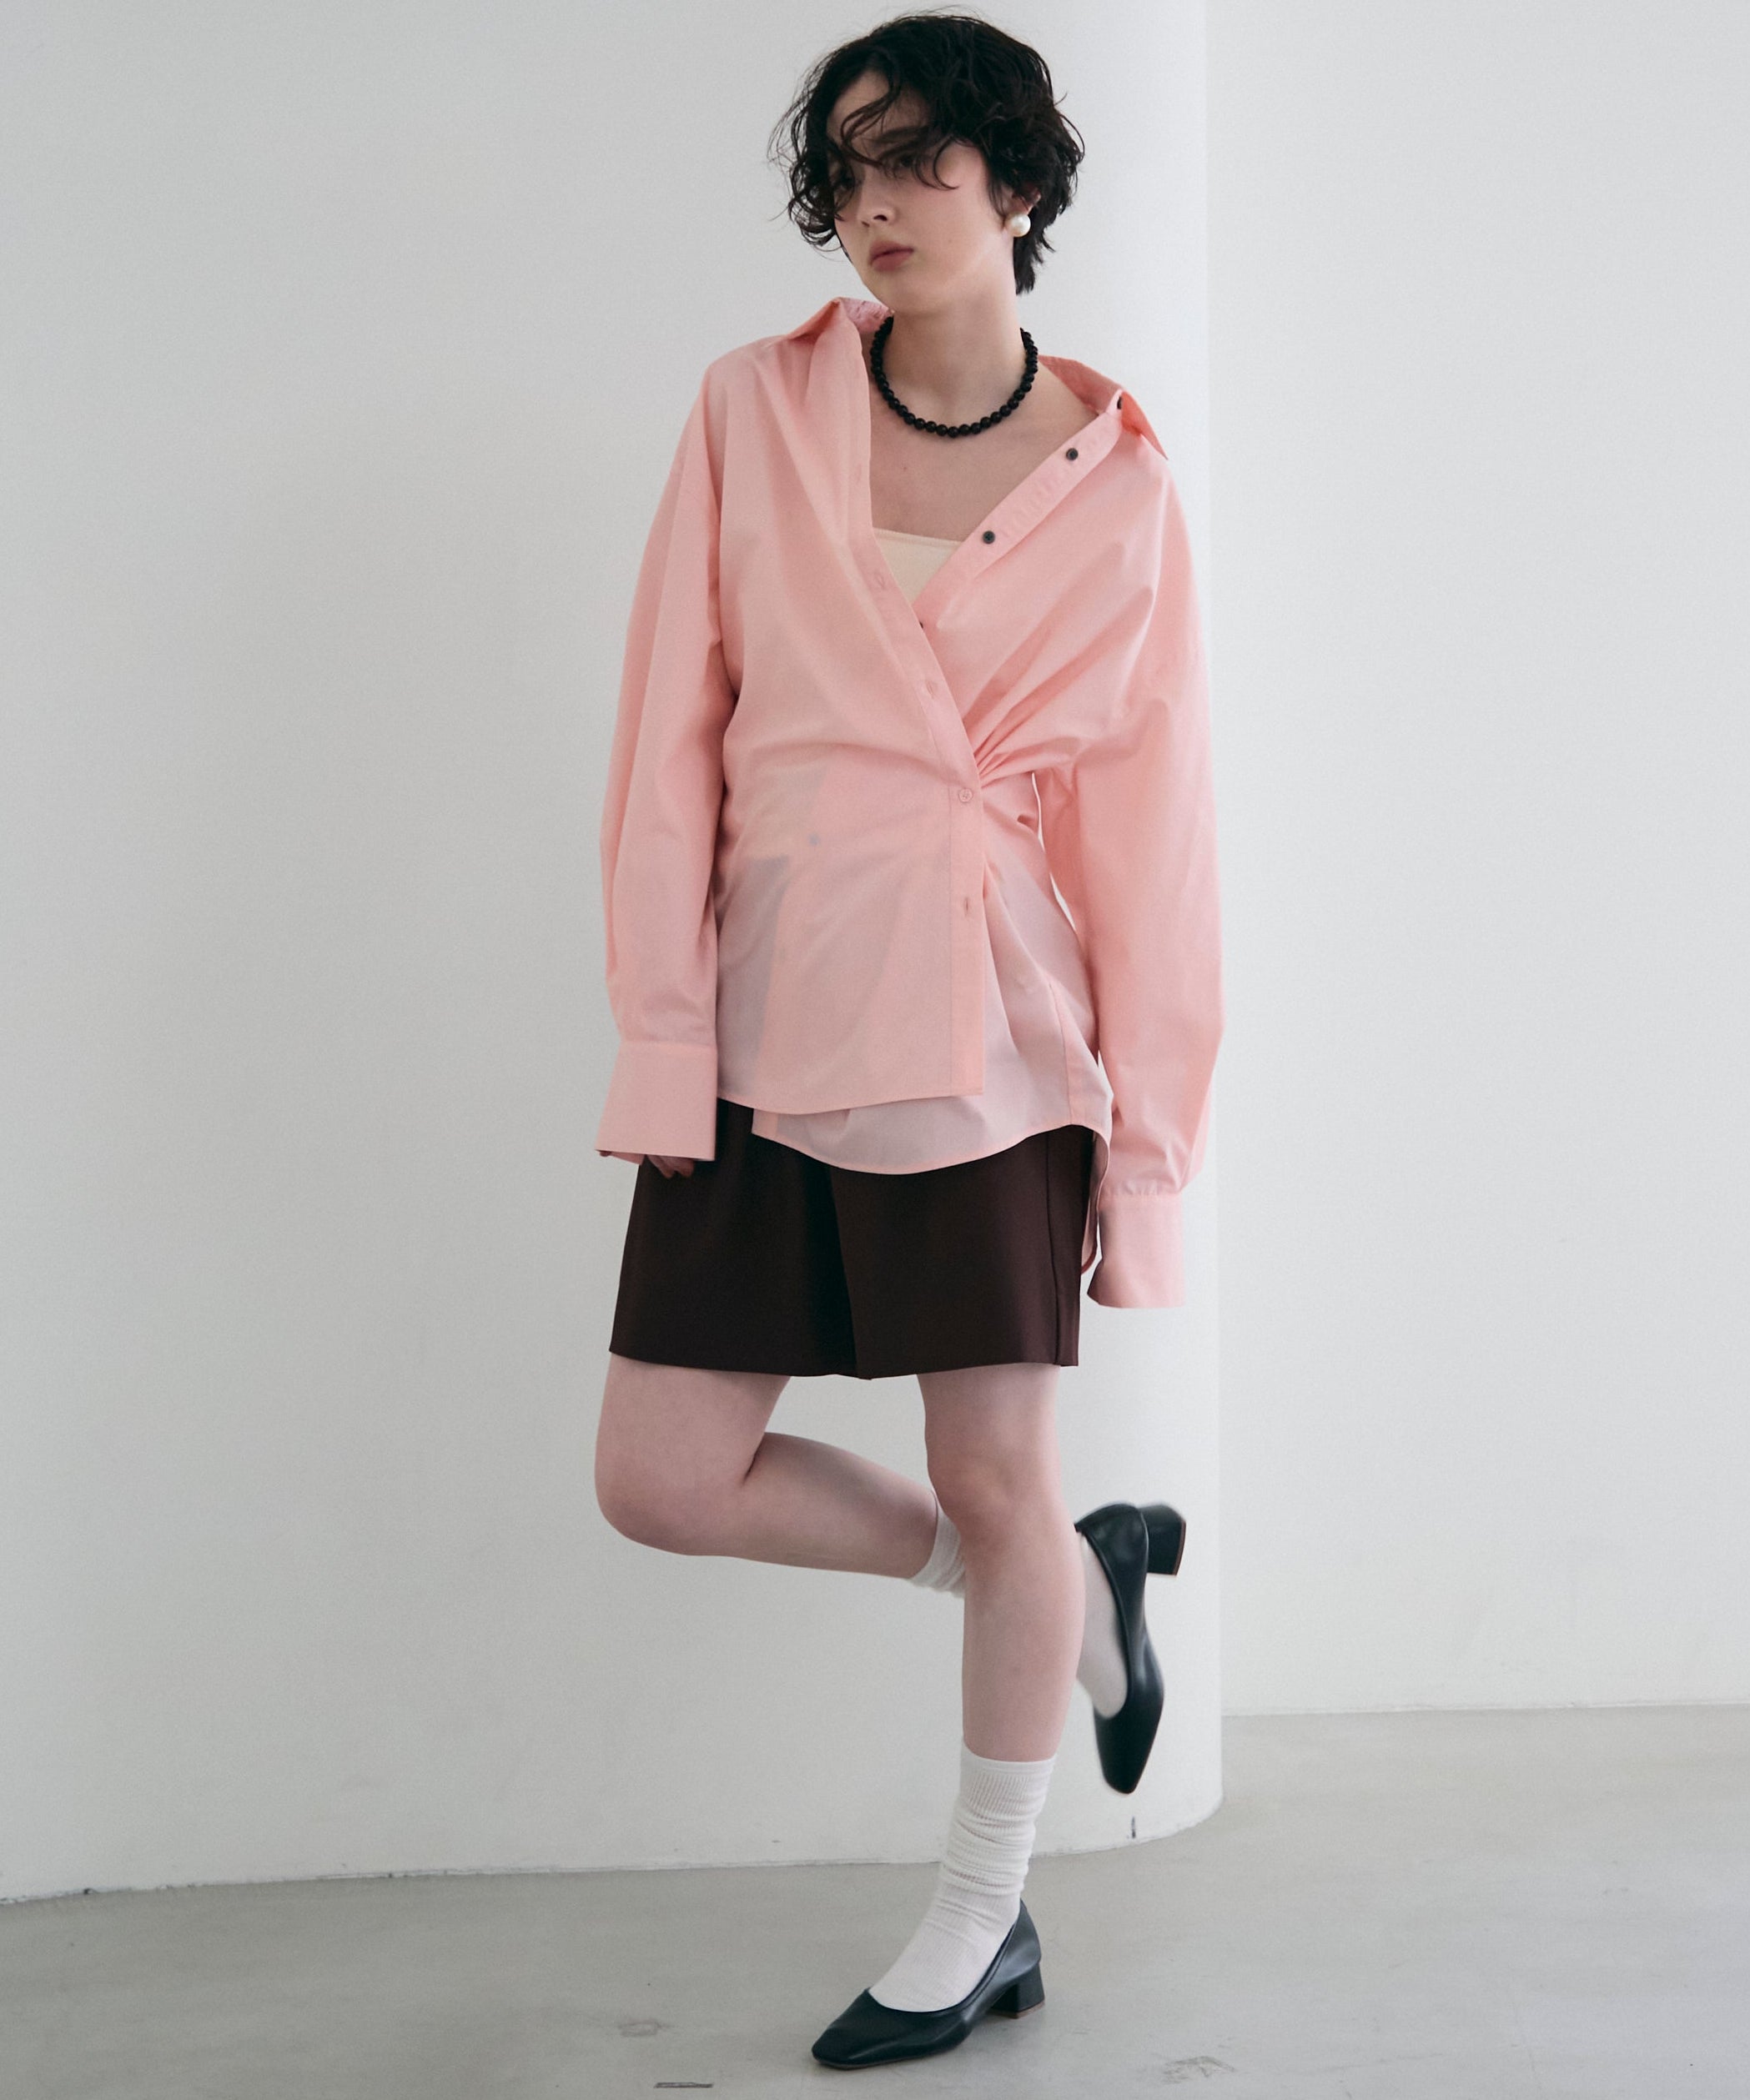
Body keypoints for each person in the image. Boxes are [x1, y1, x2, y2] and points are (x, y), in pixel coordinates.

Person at [591, 13, 1224, 2071]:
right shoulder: (749, 408)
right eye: (845, 169)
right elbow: (665, 747)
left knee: (993, 1467)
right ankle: (1069, 1587)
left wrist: (1144, 1165)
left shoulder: (1120, 485)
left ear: (1015, 184)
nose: (872, 204)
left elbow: (1151, 848)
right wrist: (658, 1041)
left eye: (917, 162)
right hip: (764, 1019)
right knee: (658, 1475)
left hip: (993, 1039)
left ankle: (980, 1908)